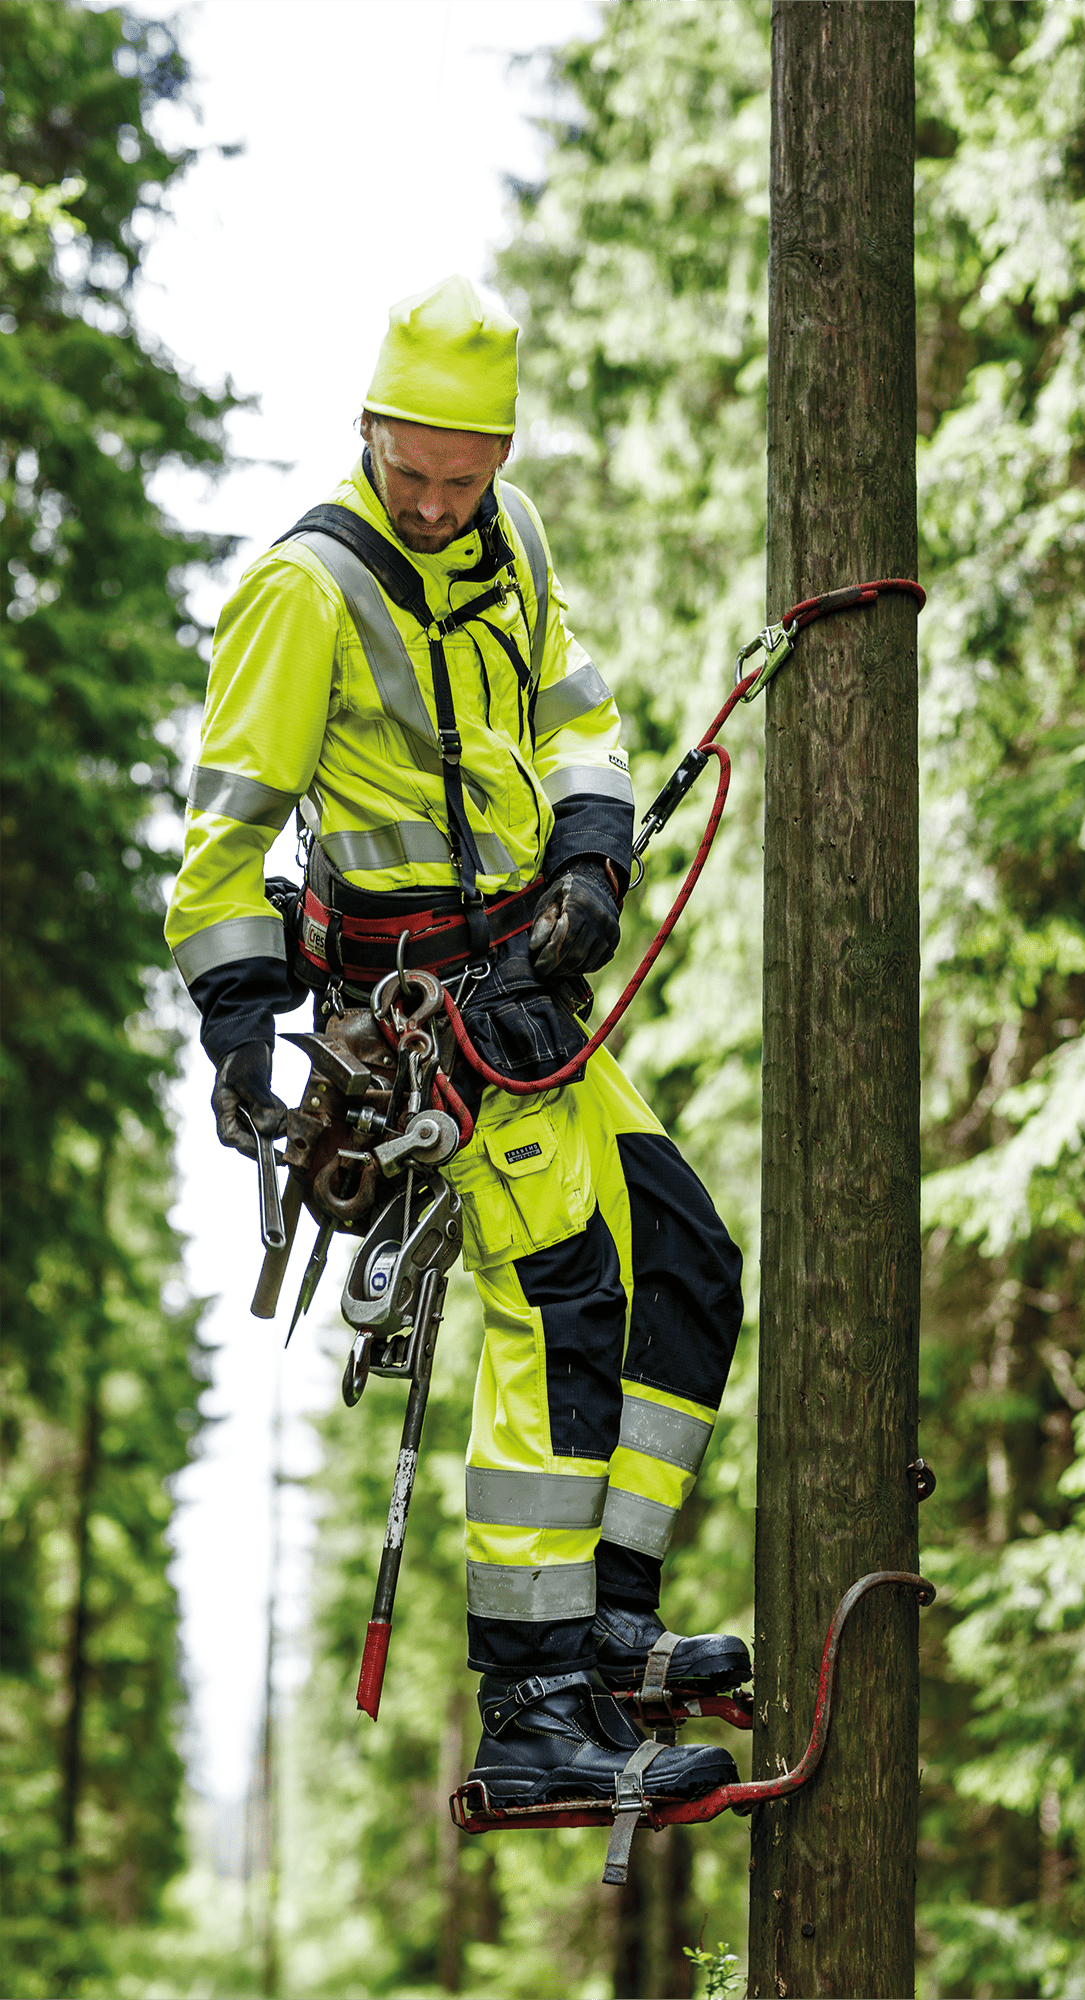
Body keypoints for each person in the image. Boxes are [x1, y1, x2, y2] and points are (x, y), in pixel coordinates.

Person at [166, 277, 747, 1805]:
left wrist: (595, 853)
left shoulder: (519, 542)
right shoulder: (306, 592)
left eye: (462, 476)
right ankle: (532, 1701)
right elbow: (223, 843)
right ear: (366, 431)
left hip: (527, 988)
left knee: (687, 1258)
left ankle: (611, 1624)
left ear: (498, 454)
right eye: (409, 471)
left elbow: (576, 712)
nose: (433, 504)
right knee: (557, 1302)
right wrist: (241, 1028)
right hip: (424, 1022)